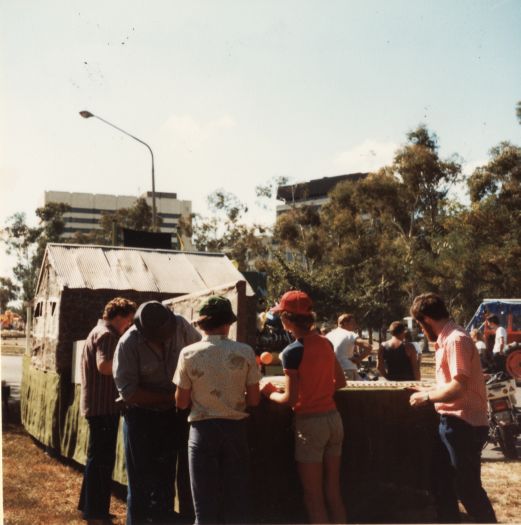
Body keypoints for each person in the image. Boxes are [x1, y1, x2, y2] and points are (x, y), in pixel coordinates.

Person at [408, 293, 496, 523]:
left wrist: (426, 396)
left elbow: (458, 388)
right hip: (452, 423)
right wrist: (428, 387)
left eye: (419, 323)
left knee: (467, 490)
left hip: (464, 425)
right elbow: (452, 383)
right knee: (441, 484)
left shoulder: (456, 339)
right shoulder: (447, 339)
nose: (420, 328)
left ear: (425, 319)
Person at [174, 296, 261, 524]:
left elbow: (181, 402)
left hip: (202, 431)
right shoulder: (245, 351)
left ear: (201, 324)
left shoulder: (188, 354)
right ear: (227, 323)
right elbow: (254, 399)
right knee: (237, 502)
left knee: (204, 507)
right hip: (235, 431)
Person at [113, 301, 201, 525]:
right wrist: (172, 397)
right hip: (141, 418)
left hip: (172, 416)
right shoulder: (128, 343)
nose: (165, 338)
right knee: (140, 486)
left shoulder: (181, 326)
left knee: (165, 483)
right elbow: (129, 393)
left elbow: (200, 354)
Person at [262, 290, 347, 524]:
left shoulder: (291, 353)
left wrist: (269, 393)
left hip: (311, 425)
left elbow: (289, 400)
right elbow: (340, 382)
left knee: (313, 496)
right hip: (334, 421)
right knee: (333, 491)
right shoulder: (326, 343)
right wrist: (317, 390)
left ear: (287, 320)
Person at [78, 297, 137, 524]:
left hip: (98, 405)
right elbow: (104, 366)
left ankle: (89, 506)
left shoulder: (98, 330)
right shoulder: (107, 335)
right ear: (119, 316)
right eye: (129, 320)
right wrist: (129, 364)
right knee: (101, 459)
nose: (129, 325)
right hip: (103, 406)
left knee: (96, 458)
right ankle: (96, 511)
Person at [326, 313, 373, 381]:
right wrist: (359, 359)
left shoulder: (328, 335)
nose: (355, 326)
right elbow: (368, 347)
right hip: (347, 369)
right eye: (353, 323)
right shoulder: (350, 334)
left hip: (332, 370)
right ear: (345, 323)